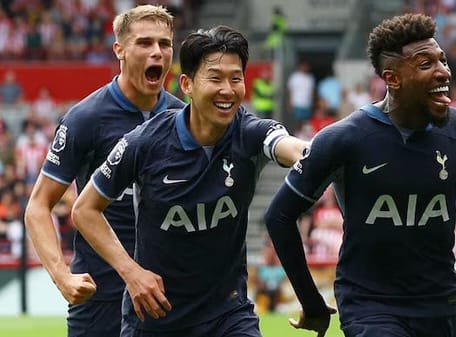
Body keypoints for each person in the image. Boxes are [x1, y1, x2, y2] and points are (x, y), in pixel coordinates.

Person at [264, 13, 456, 337]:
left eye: (442, 60)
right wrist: (311, 300)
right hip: (370, 306)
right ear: (393, 78)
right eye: (425, 63)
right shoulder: (344, 139)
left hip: (439, 306)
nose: (444, 71)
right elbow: (279, 215)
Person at [70, 25, 311, 337]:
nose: (228, 89)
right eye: (215, 78)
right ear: (187, 84)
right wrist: (131, 272)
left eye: (235, 78)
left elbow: (291, 147)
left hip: (228, 316)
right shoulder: (144, 143)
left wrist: (323, 154)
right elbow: (84, 210)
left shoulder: (251, 133)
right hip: (155, 320)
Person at [23, 5, 184, 337]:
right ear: (119, 50)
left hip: (169, 295)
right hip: (102, 297)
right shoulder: (86, 119)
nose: (157, 52)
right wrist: (61, 275)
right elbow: (38, 207)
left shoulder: (183, 119)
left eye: (164, 44)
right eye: (144, 43)